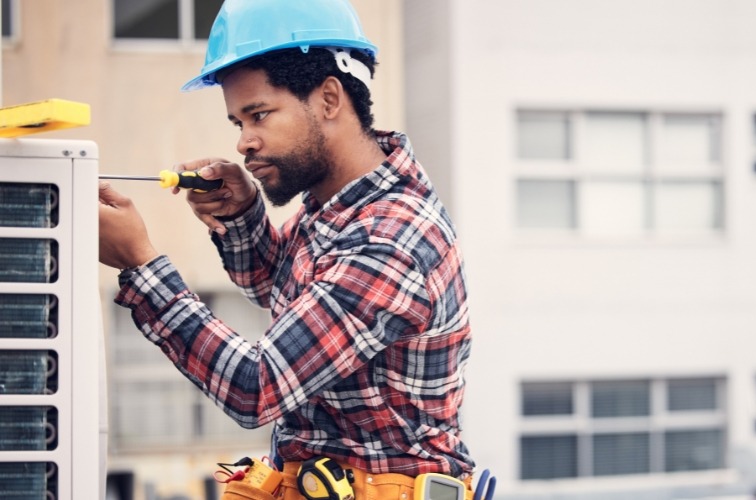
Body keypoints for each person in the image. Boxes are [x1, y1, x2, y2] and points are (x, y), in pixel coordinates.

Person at [97, 0, 475, 498]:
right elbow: (286, 295)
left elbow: (257, 385)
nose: (244, 143)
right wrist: (242, 216)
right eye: (238, 123)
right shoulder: (338, 205)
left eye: (258, 115)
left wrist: (140, 264)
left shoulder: (391, 239)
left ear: (329, 99)